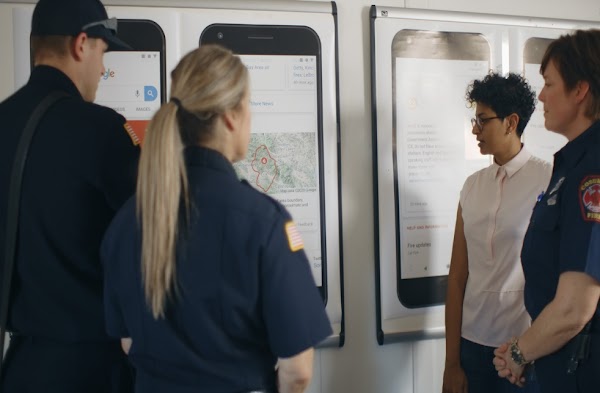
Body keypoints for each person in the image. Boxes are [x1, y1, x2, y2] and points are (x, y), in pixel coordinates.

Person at [100, 44, 332, 393]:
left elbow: (128, 343)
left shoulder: (127, 221)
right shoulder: (265, 223)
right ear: (231, 116)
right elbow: (297, 369)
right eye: (249, 104)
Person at [0, 0, 139, 391]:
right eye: (102, 52)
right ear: (82, 44)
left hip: (21, 367)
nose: (102, 68)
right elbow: (151, 236)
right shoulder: (104, 131)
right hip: (93, 369)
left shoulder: (3, 122)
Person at [493, 29, 600, 393]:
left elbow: (574, 308)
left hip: (581, 371)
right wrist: (529, 348)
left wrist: (519, 354)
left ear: (580, 90)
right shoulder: (573, 163)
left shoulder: (592, 172)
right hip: (560, 360)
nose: (540, 96)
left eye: (549, 84)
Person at [442, 72, 551, 393]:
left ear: (510, 122)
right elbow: (457, 277)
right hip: (471, 345)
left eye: (482, 120)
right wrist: (451, 362)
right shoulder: (472, 185)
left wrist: (533, 346)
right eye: (474, 120)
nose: (474, 129)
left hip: (523, 346)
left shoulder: (548, 179)